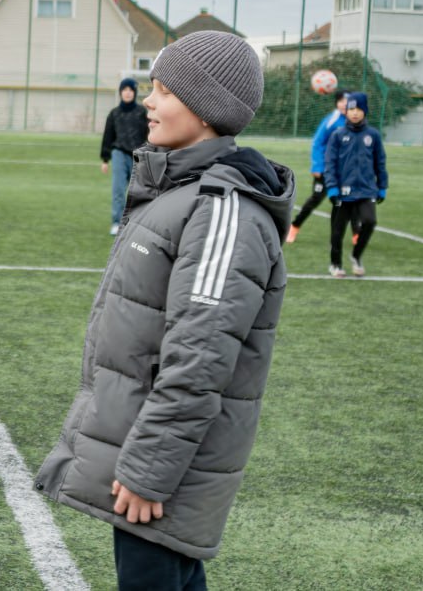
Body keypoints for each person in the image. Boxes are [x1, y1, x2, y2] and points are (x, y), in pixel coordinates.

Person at [35, 31, 294, 590]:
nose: (149, 101)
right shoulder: (182, 193)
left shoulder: (223, 210)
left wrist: (150, 469)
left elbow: (201, 356)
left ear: (206, 109)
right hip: (148, 449)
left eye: (165, 89)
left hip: (165, 464)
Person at [324, 91, 388, 278]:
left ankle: (356, 256)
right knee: (338, 231)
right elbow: (330, 163)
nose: (355, 113)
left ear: (365, 111)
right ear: (346, 111)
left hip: (367, 190)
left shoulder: (373, 136)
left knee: (370, 222)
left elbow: (380, 162)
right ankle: (335, 264)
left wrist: (382, 186)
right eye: (351, 109)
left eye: (359, 109)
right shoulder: (338, 135)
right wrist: (332, 187)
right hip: (342, 192)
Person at [285, 89, 347, 243]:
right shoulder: (331, 120)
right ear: (337, 103)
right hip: (326, 168)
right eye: (341, 101)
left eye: (347, 101)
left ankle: (336, 236)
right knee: (316, 198)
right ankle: (294, 226)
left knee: (338, 202)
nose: (344, 104)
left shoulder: (353, 122)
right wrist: (317, 167)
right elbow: (318, 142)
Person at [101, 77, 149, 236]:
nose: (128, 93)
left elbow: (149, 134)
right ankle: (117, 222)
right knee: (118, 190)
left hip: (138, 156)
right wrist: (105, 159)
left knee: (139, 191)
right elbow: (108, 136)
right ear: (121, 92)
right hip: (119, 154)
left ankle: (136, 223)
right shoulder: (114, 113)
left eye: (130, 90)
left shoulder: (142, 112)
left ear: (134, 93)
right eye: (125, 90)